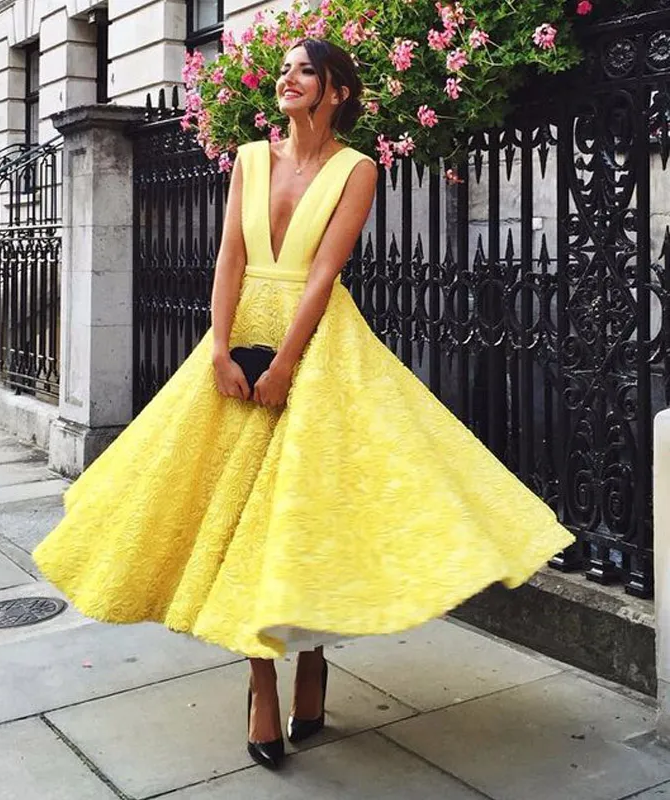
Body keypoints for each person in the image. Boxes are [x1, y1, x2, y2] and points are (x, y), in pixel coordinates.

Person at [32, 38, 574, 772]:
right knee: (228, 519)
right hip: (237, 333)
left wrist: (287, 361)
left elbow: (323, 274)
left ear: (337, 91)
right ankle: (261, 680)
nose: (287, 78)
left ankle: (310, 658)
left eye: (305, 69)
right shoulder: (252, 159)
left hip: (314, 345)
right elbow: (229, 257)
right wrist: (219, 349)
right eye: (284, 68)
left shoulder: (358, 169)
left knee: (303, 509)